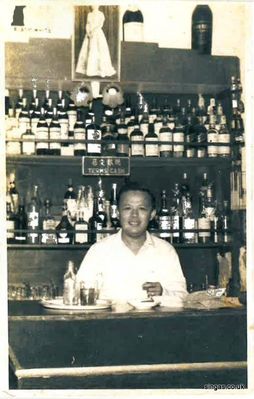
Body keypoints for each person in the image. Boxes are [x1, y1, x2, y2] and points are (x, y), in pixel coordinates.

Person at [76, 182, 187, 308]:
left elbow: (182, 297)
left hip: (154, 324)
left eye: (142, 209)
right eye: (127, 208)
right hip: (108, 324)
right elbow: (78, 294)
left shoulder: (165, 251)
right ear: (117, 213)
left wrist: (163, 292)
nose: (134, 215)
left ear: (152, 215)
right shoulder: (99, 251)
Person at [76, 5, 116, 77]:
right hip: (90, 33)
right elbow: (87, 24)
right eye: (93, 4)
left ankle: (99, 69)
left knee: (99, 50)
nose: (94, 6)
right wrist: (88, 32)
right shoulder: (89, 14)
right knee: (90, 49)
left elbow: (100, 24)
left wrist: (94, 30)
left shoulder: (101, 14)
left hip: (97, 33)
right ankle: (90, 70)